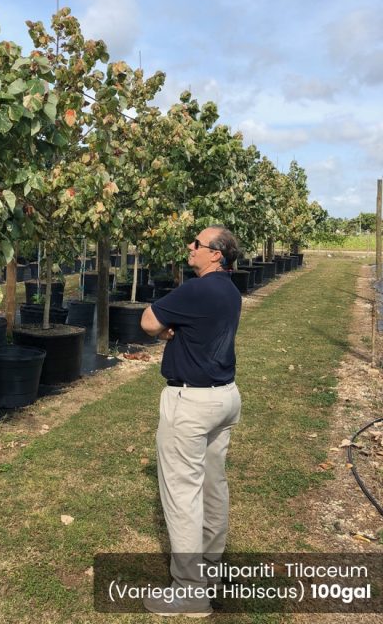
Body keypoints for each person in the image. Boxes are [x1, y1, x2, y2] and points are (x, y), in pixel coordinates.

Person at [140, 225, 242, 618]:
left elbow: (149, 321)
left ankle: (189, 591)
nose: (190, 247)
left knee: (183, 495)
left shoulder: (197, 288)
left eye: (196, 244)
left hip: (191, 402)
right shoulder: (230, 291)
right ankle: (211, 571)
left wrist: (166, 329)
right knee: (214, 486)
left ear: (215, 254)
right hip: (224, 398)